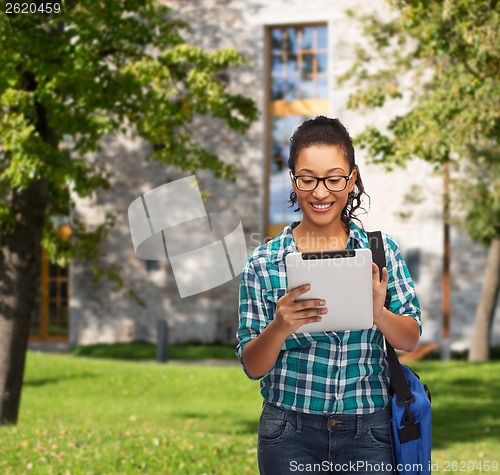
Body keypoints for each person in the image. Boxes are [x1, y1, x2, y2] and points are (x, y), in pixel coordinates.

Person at [236, 116, 421, 474]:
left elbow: (410, 338)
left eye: (334, 179)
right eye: (308, 179)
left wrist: (378, 313)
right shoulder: (262, 262)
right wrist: (278, 327)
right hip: (288, 432)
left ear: (351, 179)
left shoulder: (381, 253)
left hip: (369, 431)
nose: (321, 193)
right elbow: (252, 366)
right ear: (293, 180)